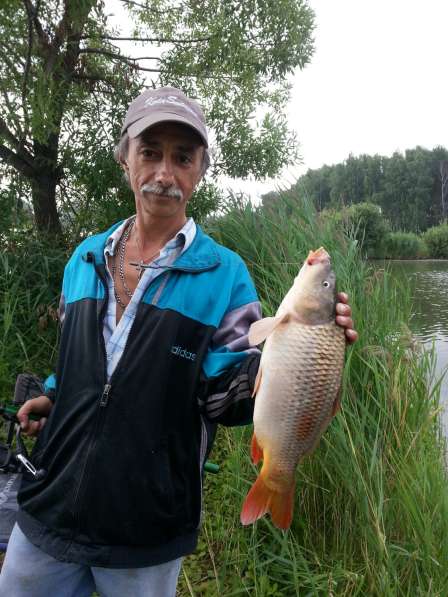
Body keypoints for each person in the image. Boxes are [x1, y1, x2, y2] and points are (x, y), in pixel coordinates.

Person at [0, 86, 357, 597]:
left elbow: (224, 397)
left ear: (199, 171)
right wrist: (54, 395)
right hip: (48, 507)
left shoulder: (225, 274)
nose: (164, 174)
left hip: (148, 526)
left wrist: (304, 359)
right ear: (126, 158)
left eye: (182, 158)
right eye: (150, 152)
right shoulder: (83, 258)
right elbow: (81, 359)